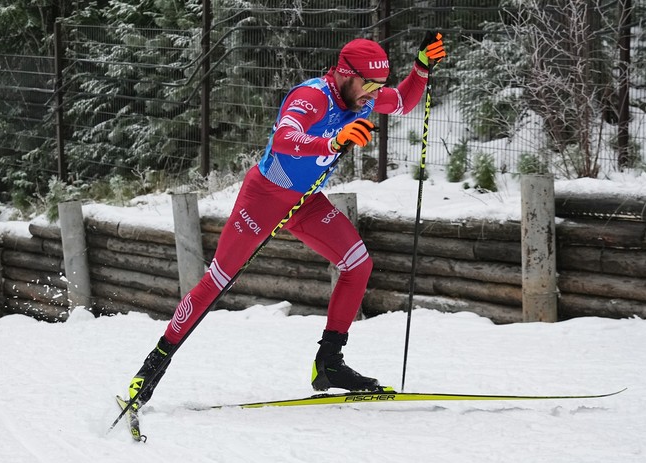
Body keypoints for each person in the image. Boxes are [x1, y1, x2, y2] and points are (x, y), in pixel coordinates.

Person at [126, 32, 446, 408]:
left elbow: (406, 102)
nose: (374, 93)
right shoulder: (311, 97)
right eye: (369, 84)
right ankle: (151, 368)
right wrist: (332, 141)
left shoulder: (366, 97)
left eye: (379, 86)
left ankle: (329, 363)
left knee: (358, 264)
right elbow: (284, 139)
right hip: (264, 199)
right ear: (345, 73)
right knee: (218, 280)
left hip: (305, 201)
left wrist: (421, 68)